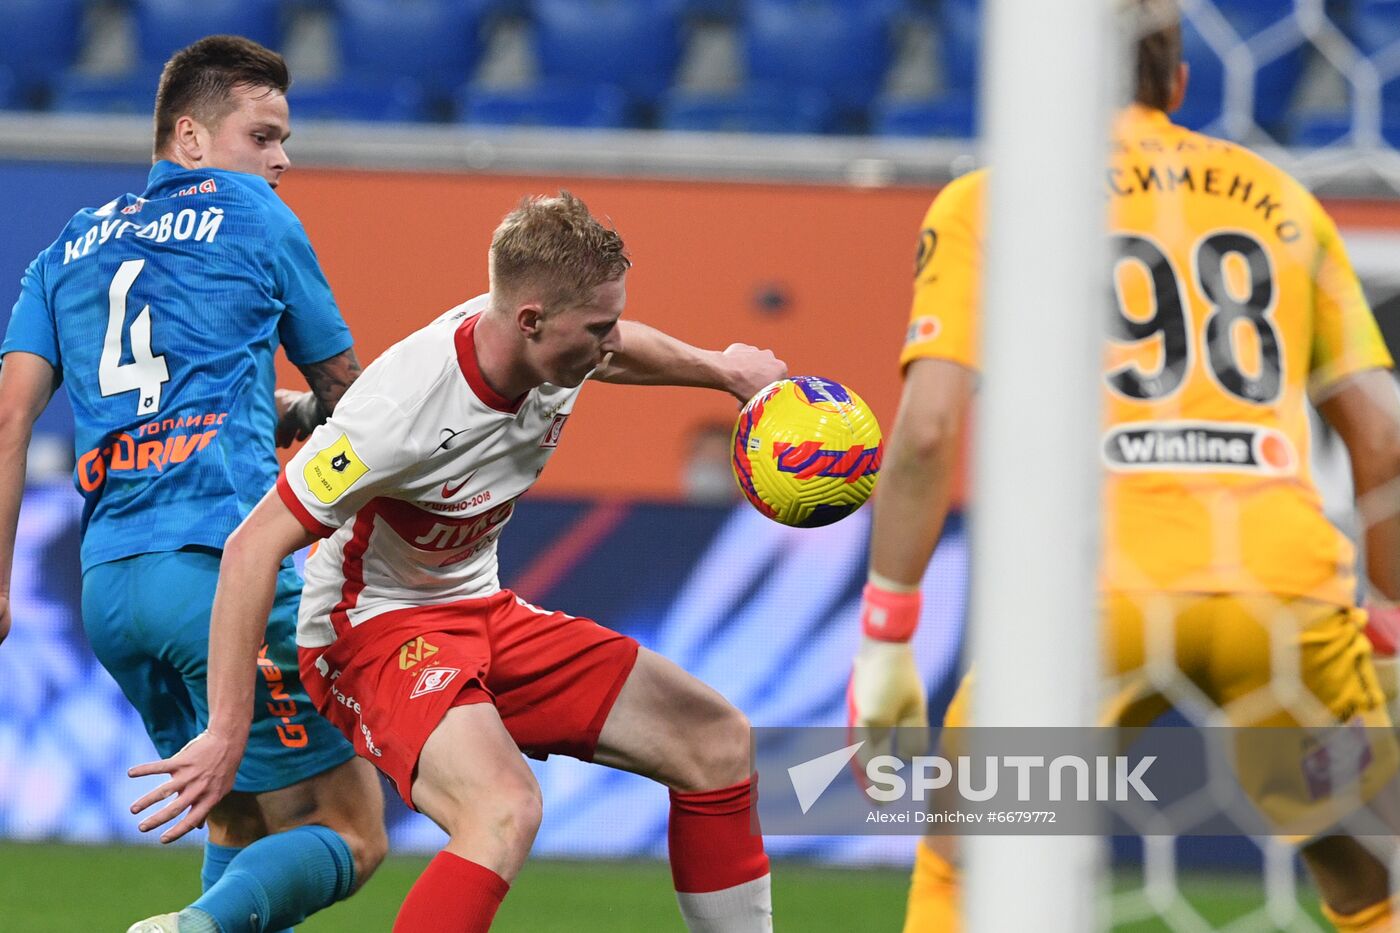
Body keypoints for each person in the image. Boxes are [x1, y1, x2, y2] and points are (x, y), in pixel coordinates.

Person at [847, 2, 1400, 930]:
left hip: (1092, 591)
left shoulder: (995, 197)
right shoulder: (1282, 199)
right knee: (1370, 878)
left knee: (967, 868)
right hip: (1280, 583)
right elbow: (1382, 441)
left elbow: (931, 427)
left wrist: (888, 633)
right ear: (1178, 82)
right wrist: (1384, 632)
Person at [130, 191, 786, 932]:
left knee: (715, 740)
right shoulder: (401, 407)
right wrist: (224, 729)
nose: (609, 344)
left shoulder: (552, 344)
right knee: (502, 808)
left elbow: (626, 345)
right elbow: (254, 545)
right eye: (597, 329)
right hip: (368, 630)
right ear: (531, 320)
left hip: (477, 609)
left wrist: (723, 370)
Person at [0, 35, 387, 933]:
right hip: (221, 573)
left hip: (111, 590)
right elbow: (350, 395)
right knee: (350, 829)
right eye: (263, 135)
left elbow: (12, 416)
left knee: (241, 820)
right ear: (190, 137)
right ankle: (186, 930)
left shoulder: (66, 248)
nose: (281, 159)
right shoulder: (255, 218)